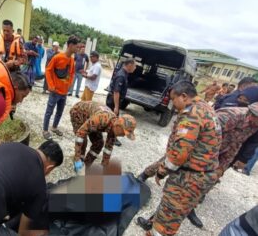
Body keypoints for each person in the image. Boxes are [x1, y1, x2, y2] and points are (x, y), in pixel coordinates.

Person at [138, 102, 258, 230]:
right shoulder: (230, 116)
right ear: (253, 114)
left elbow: (236, 145)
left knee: (190, 192)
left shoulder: (253, 125)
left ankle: (157, 220)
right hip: (196, 152)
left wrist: (221, 168)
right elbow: (200, 132)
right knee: (167, 163)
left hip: (214, 160)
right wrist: (185, 154)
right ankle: (145, 174)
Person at [136, 81, 222, 236]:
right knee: (172, 211)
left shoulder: (191, 114)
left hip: (189, 178)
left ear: (184, 96)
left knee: (164, 226)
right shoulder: (205, 107)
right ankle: (152, 223)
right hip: (202, 174)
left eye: (173, 99)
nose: (172, 104)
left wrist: (162, 171)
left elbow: (179, 154)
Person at [70, 101, 136, 172]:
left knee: (99, 143)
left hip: (92, 119)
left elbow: (108, 149)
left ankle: (86, 165)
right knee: (83, 140)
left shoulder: (114, 128)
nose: (123, 135)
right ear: (118, 126)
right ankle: (79, 163)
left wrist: (104, 167)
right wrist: (77, 158)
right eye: (124, 132)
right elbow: (80, 133)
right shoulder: (102, 119)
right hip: (79, 113)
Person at [42, 35, 79, 140]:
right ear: (71, 45)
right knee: (49, 111)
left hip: (64, 92)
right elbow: (48, 70)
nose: (77, 49)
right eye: (76, 46)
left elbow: (72, 73)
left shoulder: (71, 60)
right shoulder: (58, 57)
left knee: (60, 112)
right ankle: (45, 130)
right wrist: (51, 85)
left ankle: (54, 127)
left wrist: (69, 85)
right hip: (55, 91)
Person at [106, 58, 136, 146]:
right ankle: (112, 139)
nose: (135, 68)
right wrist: (116, 106)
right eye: (134, 66)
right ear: (129, 65)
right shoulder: (121, 75)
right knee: (114, 121)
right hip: (113, 100)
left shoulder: (124, 74)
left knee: (111, 119)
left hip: (114, 100)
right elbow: (116, 92)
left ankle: (111, 136)